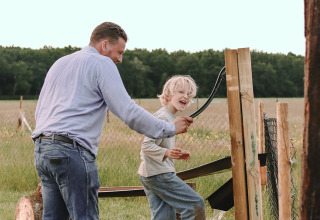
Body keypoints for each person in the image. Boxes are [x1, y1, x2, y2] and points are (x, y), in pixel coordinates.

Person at [31, 22, 193, 220]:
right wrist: (168, 128)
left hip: (42, 150)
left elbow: (40, 111)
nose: (120, 59)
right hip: (72, 153)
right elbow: (128, 111)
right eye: (119, 52)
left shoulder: (60, 63)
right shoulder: (101, 63)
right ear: (105, 45)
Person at [138, 75, 206, 220]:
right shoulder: (162, 117)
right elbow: (147, 146)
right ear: (168, 94)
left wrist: (175, 153)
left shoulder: (170, 117)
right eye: (181, 92)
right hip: (158, 174)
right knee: (195, 205)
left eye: (189, 94)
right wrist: (167, 152)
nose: (185, 96)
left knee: (164, 217)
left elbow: (160, 144)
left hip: (150, 173)